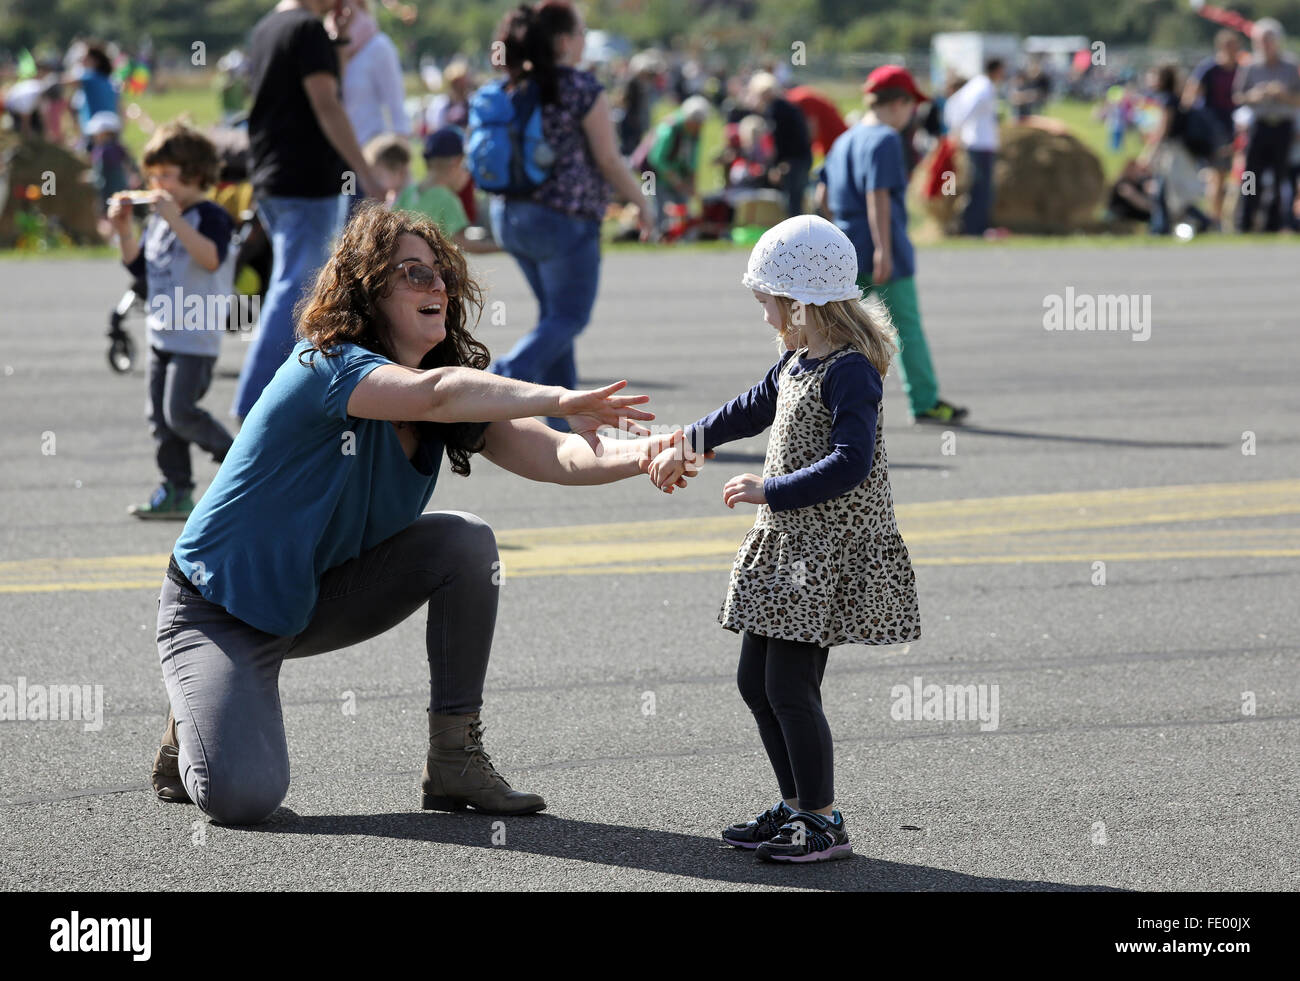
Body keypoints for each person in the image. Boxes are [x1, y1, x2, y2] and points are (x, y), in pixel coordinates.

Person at [150, 204, 692, 824]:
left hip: (306, 600)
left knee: (462, 545)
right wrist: (566, 396)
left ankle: (454, 758)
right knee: (245, 799)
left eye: (441, 274)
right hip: (218, 608)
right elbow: (437, 395)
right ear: (368, 288)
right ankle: (192, 715)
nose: (436, 286)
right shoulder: (325, 367)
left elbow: (563, 456)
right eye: (413, 273)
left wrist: (645, 453)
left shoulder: (450, 392)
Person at [646, 215, 920, 863]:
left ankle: (822, 821)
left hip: (824, 553)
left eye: (767, 302)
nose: (764, 315)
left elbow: (853, 461)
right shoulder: (800, 360)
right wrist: (689, 440)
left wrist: (772, 489)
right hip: (789, 546)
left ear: (800, 302)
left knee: (791, 687)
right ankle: (797, 804)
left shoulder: (850, 371)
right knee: (756, 682)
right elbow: (749, 407)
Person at [487, 1, 652, 429]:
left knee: (554, 318)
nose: (584, 42)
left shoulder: (514, 85)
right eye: (580, 34)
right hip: (564, 221)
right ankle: (495, 384)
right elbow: (610, 161)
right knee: (569, 317)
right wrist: (643, 202)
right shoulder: (580, 88)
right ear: (563, 41)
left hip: (510, 217)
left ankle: (563, 420)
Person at [232, 0, 382, 422]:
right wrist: (364, 170)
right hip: (304, 181)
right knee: (297, 289)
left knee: (295, 285)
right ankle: (256, 403)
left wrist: (335, 41)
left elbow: (313, 88)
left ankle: (274, 397)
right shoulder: (306, 30)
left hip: (272, 176)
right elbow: (327, 102)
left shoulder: (268, 28)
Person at [819, 65, 968, 426]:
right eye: (911, 105)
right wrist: (884, 247)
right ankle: (925, 401)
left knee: (839, 330)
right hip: (881, 243)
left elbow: (822, 193)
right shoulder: (885, 139)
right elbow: (878, 194)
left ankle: (825, 403)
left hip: (846, 243)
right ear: (898, 103)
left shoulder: (844, 139)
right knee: (906, 327)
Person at [107, 122, 237, 520]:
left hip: (194, 337)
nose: (157, 184)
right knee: (160, 419)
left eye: (166, 175)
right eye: (153, 175)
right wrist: (124, 230)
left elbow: (211, 258)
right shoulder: (162, 220)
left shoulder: (208, 216)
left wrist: (175, 219)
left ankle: (238, 463)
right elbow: (141, 269)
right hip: (162, 334)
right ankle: (176, 489)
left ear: (195, 176)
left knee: (181, 411)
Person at [1233, 18, 1300, 233]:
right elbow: (1238, 96)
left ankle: (1274, 222)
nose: (1265, 46)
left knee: (1280, 174)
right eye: (1261, 41)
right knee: (1251, 175)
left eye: (1269, 41)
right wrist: (1255, 95)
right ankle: (1246, 218)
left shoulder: (1290, 66)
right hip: (1258, 126)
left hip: (1282, 126)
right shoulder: (1250, 67)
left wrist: (1283, 95)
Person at [389, 127, 499, 254]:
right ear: (456, 162)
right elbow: (463, 244)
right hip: (437, 270)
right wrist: (502, 246)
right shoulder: (447, 199)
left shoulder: (407, 192)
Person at [330, 0, 409, 150]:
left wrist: (400, 163)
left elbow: (397, 110)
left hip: (372, 153)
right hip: (339, 154)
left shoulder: (378, 47)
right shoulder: (327, 43)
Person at [1141, 64, 1210, 236]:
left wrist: (1149, 154)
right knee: (1168, 192)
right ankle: (1162, 226)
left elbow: (1163, 130)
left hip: (1172, 151)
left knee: (1166, 192)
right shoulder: (1175, 98)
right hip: (1177, 150)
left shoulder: (1167, 100)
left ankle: (1161, 228)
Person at [1186, 30, 1242, 228]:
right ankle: (1215, 218)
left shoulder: (1241, 69)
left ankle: (1231, 217)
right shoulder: (1209, 69)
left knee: (1238, 174)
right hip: (1214, 128)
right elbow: (1191, 94)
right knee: (1217, 174)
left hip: (1237, 126)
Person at [945, 58, 1006, 236]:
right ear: (996, 70)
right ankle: (974, 226)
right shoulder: (983, 86)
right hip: (980, 143)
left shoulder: (979, 84)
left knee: (981, 187)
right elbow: (968, 109)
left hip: (980, 142)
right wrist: (957, 130)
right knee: (981, 188)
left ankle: (975, 225)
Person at [747, 71, 812, 217]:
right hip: (800, 158)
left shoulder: (777, 110)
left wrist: (778, 165)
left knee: (793, 200)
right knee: (795, 198)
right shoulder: (785, 107)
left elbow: (781, 141)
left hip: (794, 160)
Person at [646, 95, 711, 234]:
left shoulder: (695, 132)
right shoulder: (669, 129)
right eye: (698, 123)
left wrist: (691, 181)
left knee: (682, 206)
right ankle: (654, 235)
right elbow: (656, 159)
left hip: (676, 174)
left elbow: (693, 159)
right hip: (652, 173)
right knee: (658, 206)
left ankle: (680, 235)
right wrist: (676, 181)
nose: (700, 127)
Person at [785, 84, 847, 160]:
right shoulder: (797, 95)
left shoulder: (800, 99)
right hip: (832, 141)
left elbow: (812, 131)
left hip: (836, 140)